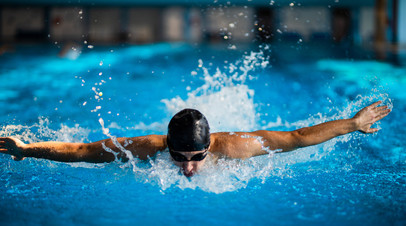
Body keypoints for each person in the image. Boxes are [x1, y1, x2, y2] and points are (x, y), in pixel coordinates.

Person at [0, 101, 390, 177]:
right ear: (166, 147)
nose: (187, 167)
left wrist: (351, 124)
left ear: (209, 147)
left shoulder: (236, 147)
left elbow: (297, 137)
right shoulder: (148, 149)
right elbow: (85, 151)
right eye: (178, 156)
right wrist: (26, 150)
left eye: (195, 157)